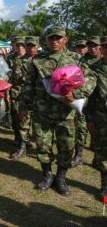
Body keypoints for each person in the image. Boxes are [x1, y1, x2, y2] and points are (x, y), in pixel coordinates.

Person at [19, 27, 96, 196]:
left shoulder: (76, 59)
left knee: (66, 147)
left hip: (66, 113)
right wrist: (24, 107)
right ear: (46, 40)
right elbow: (29, 85)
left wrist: (75, 94)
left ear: (65, 40)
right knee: (42, 145)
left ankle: (61, 178)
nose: (54, 41)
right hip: (42, 112)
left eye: (58, 38)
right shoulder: (37, 60)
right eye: (51, 38)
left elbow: (90, 79)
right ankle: (47, 175)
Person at [72, 36, 102, 167]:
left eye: (95, 46)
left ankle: (97, 157)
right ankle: (78, 155)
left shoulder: (104, 61)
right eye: (90, 46)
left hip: (100, 103)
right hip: (84, 101)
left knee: (98, 131)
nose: (92, 48)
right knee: (81, 128)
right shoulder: (82, 61)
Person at [87, 35, 107, 196]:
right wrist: (90, 119)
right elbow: (89, 97)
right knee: (102, 155)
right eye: (106, 47)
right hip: (101, 119)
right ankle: (105, 186)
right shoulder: (94, 69)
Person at [8, 37, 31, 159]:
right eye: (18, 46)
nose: (20, 48)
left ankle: (25, 143)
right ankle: (20, 141)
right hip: (16, 94)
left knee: (27, 120)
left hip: (32, 95)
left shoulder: (34, 60)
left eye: (23, 45)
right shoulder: (13, 59)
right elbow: (8, 76)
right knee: (17, 118)